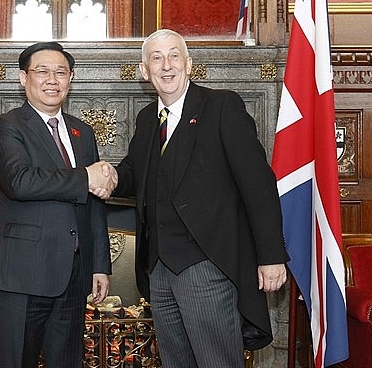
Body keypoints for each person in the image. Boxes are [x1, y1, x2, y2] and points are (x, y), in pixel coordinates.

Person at [111, 29, 289, 368]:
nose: (166, 66)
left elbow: (258, 184)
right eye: (156, 58)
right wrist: (108, 177)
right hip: (159, 271)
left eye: (174, 56)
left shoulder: (222, 106)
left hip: (207, 266)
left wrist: (271, 256)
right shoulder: (148, 119)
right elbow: (136, 174)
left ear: (189, 64)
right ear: (144, 71)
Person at [0, 41, 116, 368]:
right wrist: (85, 176)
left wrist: (100, 264)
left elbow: (94, 202)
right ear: (22, 77)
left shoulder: (82, 132)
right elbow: (20, 182)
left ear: (71, 78)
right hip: (23, 275)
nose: (52, 79)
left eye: (61, 72)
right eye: (42, 71)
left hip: (73, 276)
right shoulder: (6, 126)